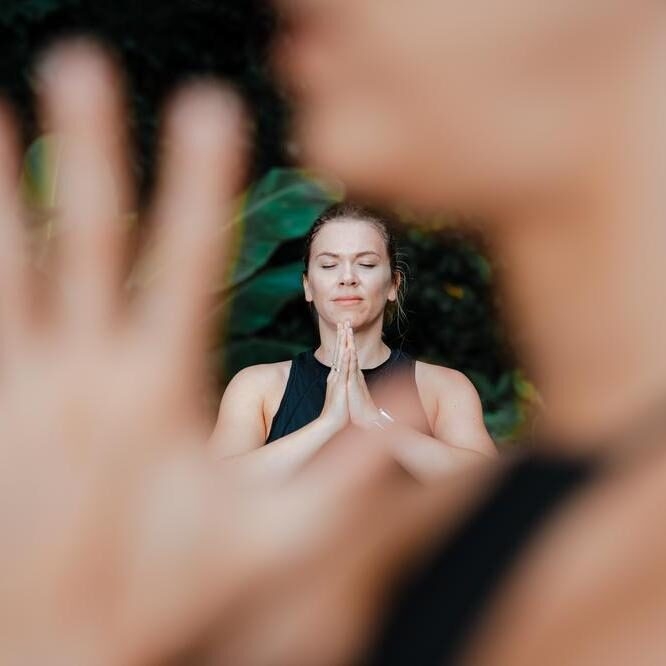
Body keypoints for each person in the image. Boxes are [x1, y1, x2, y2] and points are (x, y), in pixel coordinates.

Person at [211, 202, 496, 483]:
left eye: (366, 264)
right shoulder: (258, 387)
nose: (347, 278)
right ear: (308, 286)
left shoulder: (442, 388)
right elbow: (212, 490)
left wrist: (373, 419)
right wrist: (327, 423)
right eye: (329, 265)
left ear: (394, 285)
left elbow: (490, 488)